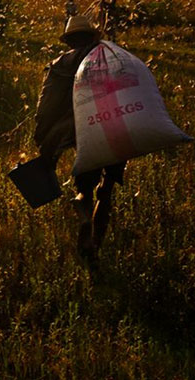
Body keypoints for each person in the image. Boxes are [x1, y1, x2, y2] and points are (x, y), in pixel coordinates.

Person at [33, 15, 126, 271]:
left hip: (75, 128)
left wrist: (42, 137)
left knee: (86, 185)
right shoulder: (111, 58)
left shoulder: (61, 63)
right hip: (112, 125)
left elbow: (47, 103)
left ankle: (83, 207)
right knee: (106, 188)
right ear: (92, 37)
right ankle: (94, 246)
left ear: (70, 40)